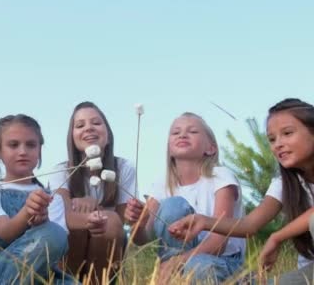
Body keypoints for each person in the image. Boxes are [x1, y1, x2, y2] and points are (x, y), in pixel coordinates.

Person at [169, 99, 314, 283]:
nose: (278, 144)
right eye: (272, 139)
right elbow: (249, 225)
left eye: (287, 133)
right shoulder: (283, 184)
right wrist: (204, 222)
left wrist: (277, 237)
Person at [125, 112, 244, 284]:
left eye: (193, 131)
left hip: (222, 261)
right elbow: (143, 239)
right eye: (175, 132)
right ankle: (174, 276)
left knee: (199, 266)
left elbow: (219, 241)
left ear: (211, 148)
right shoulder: (161, 185)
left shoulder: (221, 176)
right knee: (172, 206)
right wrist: (138, 223)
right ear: (169, 148)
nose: (182, 134)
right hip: (175, 263)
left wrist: (176, 262)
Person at [0, 114, 77, 284]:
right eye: (13, 145)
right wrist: (27, 212)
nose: (23, 151)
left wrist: (42, 222)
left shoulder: (52, 198)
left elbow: (56, 248)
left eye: (31, 145)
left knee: (54, 234)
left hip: (40, 273)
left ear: (39, 150)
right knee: (53, 233)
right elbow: (5, 232)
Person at [49, 101, 135, 281]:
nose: (88, 128)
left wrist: (96, 208)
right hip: (72, 244)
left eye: (96, 123)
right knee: (78, 211)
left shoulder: (124, 168)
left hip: (107, 243)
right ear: (72, 138)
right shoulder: (61, 171)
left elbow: (122, 221)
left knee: (109, 220)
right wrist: (85, 212)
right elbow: (63, 218)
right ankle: (68, 280)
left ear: (108, 135)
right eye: (80, 125)